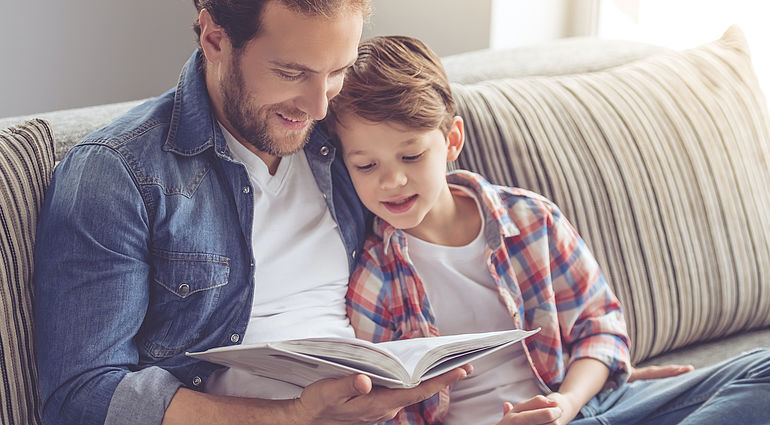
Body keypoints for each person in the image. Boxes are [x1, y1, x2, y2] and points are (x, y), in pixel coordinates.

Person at [328, 35, 770, 425]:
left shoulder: (531, 220)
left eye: (411, 155)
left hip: (596, 406)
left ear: (452, 139)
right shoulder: (375, 280)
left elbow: (602, 329)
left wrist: (568, 401)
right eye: (366, 166)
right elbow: (387, 411)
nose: (391, 180)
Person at [31, 2, 472, 425]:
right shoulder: (118, 172)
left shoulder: (346, 140)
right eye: (291, 72)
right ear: (215, 39)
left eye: (337, 71)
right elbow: (81, 396)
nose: (319, 107)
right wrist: (295, 418)